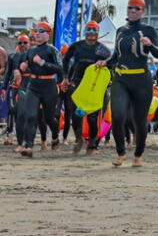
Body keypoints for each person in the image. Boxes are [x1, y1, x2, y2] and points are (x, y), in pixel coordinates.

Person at [97, 0, 158, 167]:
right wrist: (105, 62)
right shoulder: (121, 30)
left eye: (136, 8)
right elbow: (117, 56)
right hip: (121, 79)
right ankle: (121, 152)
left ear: (143, 11)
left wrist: (149, 45)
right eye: (130, 8)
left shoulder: (148, 30)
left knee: (140, 120)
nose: (132, 11)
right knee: (117, 116)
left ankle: (138, 154)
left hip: (141, 79)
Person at [61, 21, 111, 154]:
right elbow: (65, 60)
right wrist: (65, 77)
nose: (91, 33)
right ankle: (79, 138)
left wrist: (107, 72)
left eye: (94, 30)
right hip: (77, 83)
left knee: (93, 116)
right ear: (85, 32)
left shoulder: (102, 49)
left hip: (93, 86)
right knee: (75, 115)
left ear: (98, 32)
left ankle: (92, 145)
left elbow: (112, 65)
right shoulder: (77, 46)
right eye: (88, 30)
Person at [18, 22, 63, 157]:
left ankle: (55, 136)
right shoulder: (31, 50)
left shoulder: (52, 50)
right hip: (33, 85)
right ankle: (29, 146)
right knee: (31, 115)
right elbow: (26, 65)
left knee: (49, 118)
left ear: (47, 34)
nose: (37, 33)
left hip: (49, 85)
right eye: (36, 31)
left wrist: (43, 63)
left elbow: (60, 69)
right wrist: (22, 67)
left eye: (41, 31)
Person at [2, 34, 30, 148]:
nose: (22, 45)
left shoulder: (32, 54)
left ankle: (25, 137)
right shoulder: (13, 56)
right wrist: (4, 87)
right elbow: (8, 73)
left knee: (25, 112)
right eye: (20, 43)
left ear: (29, 43)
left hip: (28, 87)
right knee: (12, 110)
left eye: (25, 42)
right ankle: (10, 135)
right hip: (14, 87)